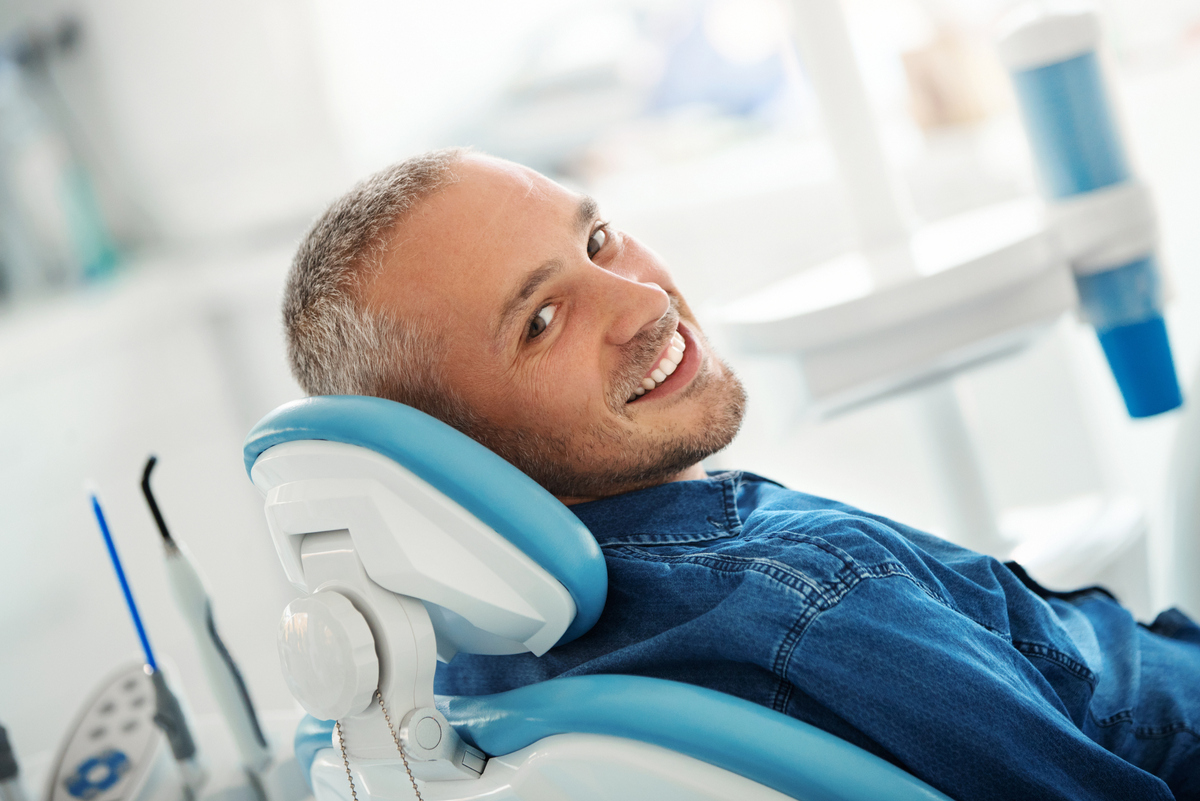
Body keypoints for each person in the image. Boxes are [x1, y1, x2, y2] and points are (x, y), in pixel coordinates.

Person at [282, 148, 1200, 800]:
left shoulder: (450, 690)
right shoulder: (812, 597)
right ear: (450, 449)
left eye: (598, 240)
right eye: (542, 320)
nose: (644, 299)